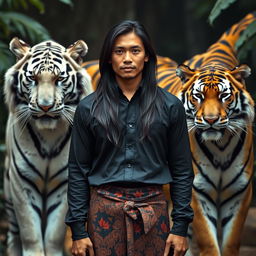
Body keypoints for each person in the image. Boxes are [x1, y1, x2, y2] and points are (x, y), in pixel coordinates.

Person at [65, 20, 194, 256]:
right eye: (119, 51)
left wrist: (181, 227)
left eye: (135, 50)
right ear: (108, 57)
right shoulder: (87, 108)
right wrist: (78, 231)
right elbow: (77, 170)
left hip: (154, 212)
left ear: (146, 56)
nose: (127, 58)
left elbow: (182, 170)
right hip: (102, 213)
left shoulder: (170, 106)